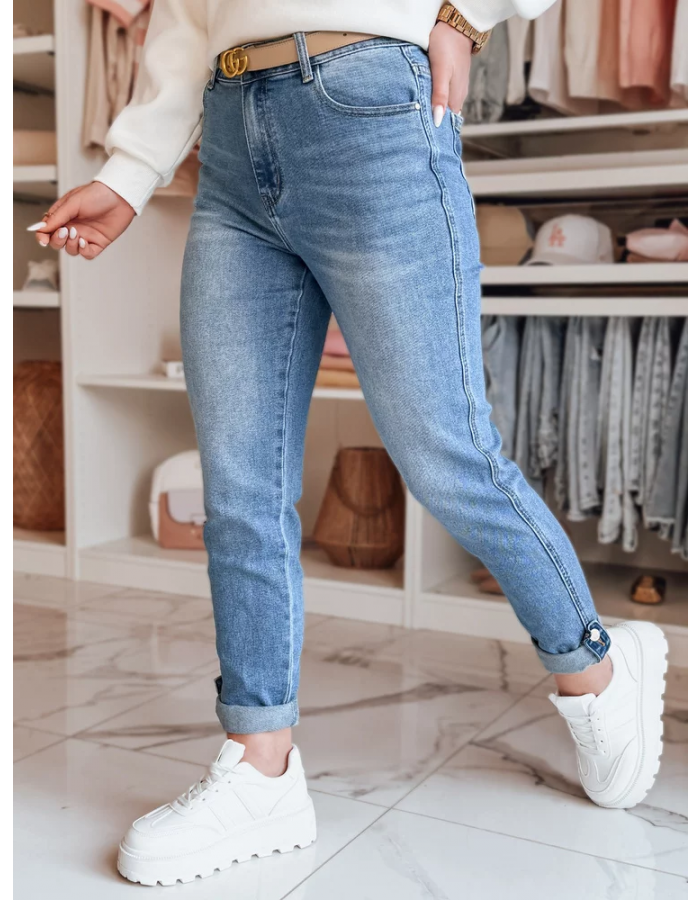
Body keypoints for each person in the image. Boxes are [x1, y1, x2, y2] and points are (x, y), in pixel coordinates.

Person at [30, 1, 668, 887]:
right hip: (231, 136)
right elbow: (183, 13)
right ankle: (260, 768)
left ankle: (595, 663)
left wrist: (469, 15)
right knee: (240, 488)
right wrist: (133, 170)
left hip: (372, 108)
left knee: (447, 455)